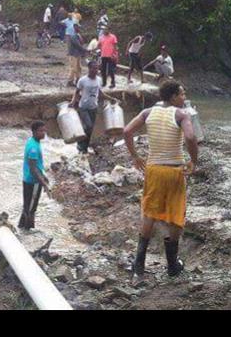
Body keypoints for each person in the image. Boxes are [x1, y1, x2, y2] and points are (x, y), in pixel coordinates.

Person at [122, 80, 198, 278]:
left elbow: (127, 131)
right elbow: (190, 138)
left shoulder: (147, 113)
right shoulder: (182, 115)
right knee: (175, 214)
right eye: (181, 94)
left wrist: (135, 156)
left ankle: (139, 263)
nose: (184, 97)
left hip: (153, 169)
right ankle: (172, 265)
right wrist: (193, 161)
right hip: (174, 171)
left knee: (149, 213)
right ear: (173, 97)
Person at [70, 59, 120, 154]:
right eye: (93, 68)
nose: (95, 70)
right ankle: (80, 145)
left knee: (91, 128)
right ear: (89, 68)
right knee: (88, 126)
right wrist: (73, 101)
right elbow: (76, 92)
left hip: (93, 107)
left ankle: (84, 148)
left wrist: (110, 98)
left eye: (97, 68)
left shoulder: (99, 80)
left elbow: (100, 93)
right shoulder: (83, 80)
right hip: (83, 107)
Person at [19, 121, 52, 230]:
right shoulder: (33, 148)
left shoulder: (32, 141)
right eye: (40, 131)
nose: (43, 133)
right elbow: (33, 169)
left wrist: (43, 176)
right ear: (34, 132)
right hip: (33, 182)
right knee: (31, 209)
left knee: (27, 206)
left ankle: (21, 227)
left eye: (44, 130)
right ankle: (29, 231)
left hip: (27, 179)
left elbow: (36, 166)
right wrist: (44, 184)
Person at [66, 23, 87, 87]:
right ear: (75, 27)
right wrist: (84, 50)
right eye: (78, 27)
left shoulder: (78, 35)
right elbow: (78, 45)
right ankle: (70, 81)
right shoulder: (73, 36)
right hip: (73, 54)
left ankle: (78, 79)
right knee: (73, 68)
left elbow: (81, 43)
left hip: (77, 54)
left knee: (79, 67)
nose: (79, 29)